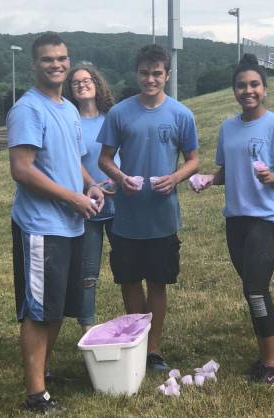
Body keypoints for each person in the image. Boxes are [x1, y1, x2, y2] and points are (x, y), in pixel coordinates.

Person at [8, 32, 104, 414]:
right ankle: (35, 396)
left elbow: (72, 160)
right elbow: (22, 169)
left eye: (62, 58)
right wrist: (73, 198)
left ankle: (44, 374)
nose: (57, 65)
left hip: (71, 224)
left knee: (58, 306)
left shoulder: (66, 108)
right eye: (48, 59)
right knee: (38, 310)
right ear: (35, 64)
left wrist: (91, 184)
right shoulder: (28, 109)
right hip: (41, 226)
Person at [191, 54, 274, 386]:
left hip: (267, 219)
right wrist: (210, 178)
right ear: (234, 90)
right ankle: (265, 355)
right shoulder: (228, 127)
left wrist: (271, 177)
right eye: (241, 85)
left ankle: (272, 364)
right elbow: (227, 171)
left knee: (255, 288)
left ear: (264, 89)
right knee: (250, 287)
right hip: (236, 219)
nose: (247, 90)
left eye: (254, 84)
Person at [98, 45, 199, 371]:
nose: (150, 79)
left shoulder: (181, 115)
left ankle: (152, 350)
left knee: (157, 282)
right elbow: (105, 159)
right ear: (136, 74)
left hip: (162, 216)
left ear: (167, 76)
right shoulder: (119, 113)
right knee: (129, 281)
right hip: (127, 216)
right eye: (144, 73)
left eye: (157, 73)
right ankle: (135, 343)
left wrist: (174, 178)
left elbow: (194, 161)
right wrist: (120, 176)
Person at [66, 65, 117, 334]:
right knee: (87, 275)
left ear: (97, 83)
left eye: (87, 80)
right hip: (88, 204)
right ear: (70, 89)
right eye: (75, 82)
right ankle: (89, 331)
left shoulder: (112, 117)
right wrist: (92, 184)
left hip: (119, 201)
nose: (82, 85)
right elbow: (72, 160)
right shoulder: (69, 119)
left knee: (129, 270)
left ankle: (136, 325)